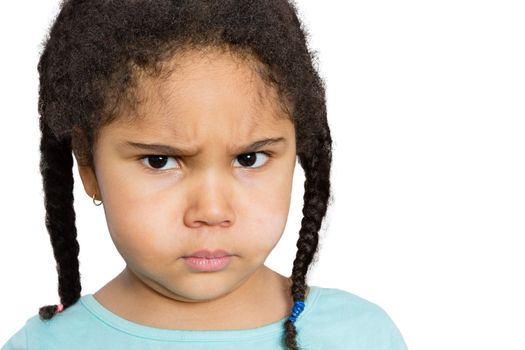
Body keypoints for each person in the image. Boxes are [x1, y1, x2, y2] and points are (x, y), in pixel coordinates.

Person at [1, 0, 408, 349]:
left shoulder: (359, 336)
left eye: (250, 159)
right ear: (88, 167)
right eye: (160, 161)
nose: (212, 211)